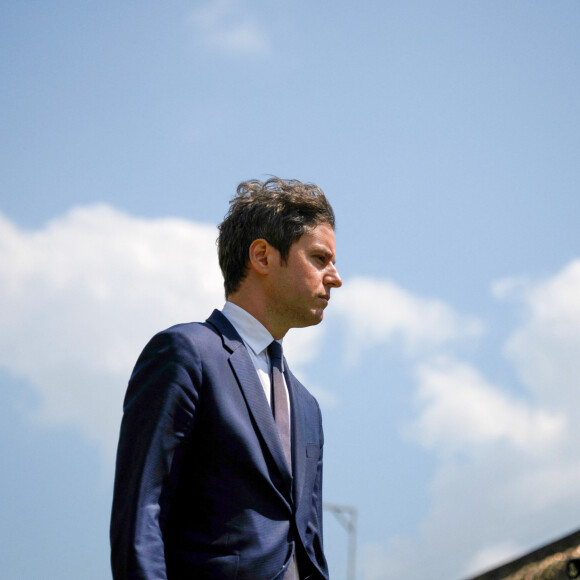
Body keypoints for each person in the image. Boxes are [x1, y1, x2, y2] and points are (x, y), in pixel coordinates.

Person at [110, 177, 342, 580]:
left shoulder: (308, 407)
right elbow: (141, 515)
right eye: (320, 259)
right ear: (262, 256)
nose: (335, 277)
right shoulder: (186, 353)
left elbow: (309, 546)